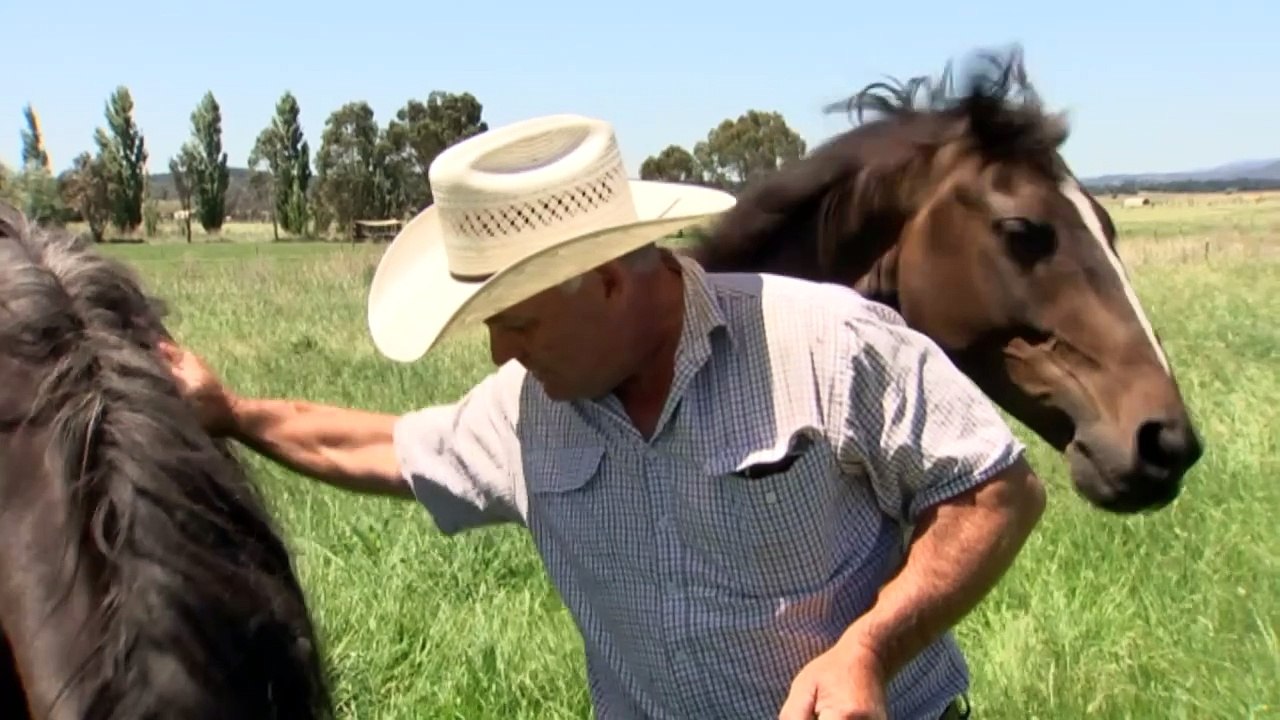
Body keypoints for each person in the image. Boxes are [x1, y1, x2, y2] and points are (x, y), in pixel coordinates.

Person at [158, 113, 1046, 720]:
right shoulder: (526, 413)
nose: (498, 352)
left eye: (518, 320)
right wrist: (231, 411)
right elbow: (385, 449)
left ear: (612, 281)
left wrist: (870, 650)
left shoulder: (822, 344)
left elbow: (994, 492)